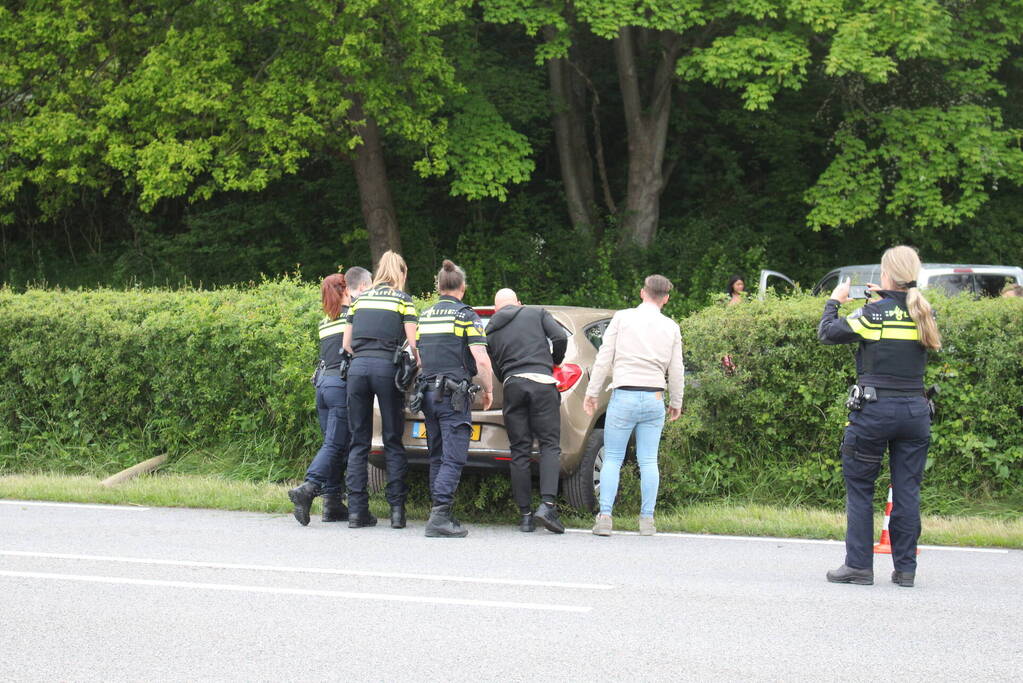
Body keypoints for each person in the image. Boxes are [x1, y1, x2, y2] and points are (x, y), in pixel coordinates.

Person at [819, 245, 941, 588]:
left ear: (886, 275)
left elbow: (828, 333)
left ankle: (858, 567)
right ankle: (905, 570)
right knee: (907, 491)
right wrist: (882, 300)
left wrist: (835, 301)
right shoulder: (925, 313)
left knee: (860, 489)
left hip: (874, 411)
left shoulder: (874, 315)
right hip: (915, 412)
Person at [583, 274, 685, 537]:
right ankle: (647, 520)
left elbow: (604, 357)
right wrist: (676, 401)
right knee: (649, 460)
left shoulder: (623, 318)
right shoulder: (671, 327)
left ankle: (605, 516)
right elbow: (676, 369)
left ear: (642, 292)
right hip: (654, 397)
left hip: (624, 393)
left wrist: (592, 392)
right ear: (666, 299)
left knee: (613, 458)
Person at [415, 260, 494, 537]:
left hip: (427, 394)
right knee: (455, 456)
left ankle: (439, 513)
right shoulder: (465, 316)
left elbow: (420, 356)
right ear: (463, 287)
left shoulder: (425, 316)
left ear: (438, 287)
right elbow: (481, 359)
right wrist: (489, 389)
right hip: (453, 396)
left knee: (436, 454)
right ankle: (439, 518)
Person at [288, 267, 371, 526]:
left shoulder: (325, 321)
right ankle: (308, 488)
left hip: (322, 385)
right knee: (335, 444)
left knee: (333, 444)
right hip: (339, 385)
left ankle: (332, 504)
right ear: (345, 290)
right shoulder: (352, 317)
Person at [343, 251, 419, 529]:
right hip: (387, 369)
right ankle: (397, 512)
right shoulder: (404, 301)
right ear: (401, 273)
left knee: (359, 441)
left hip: (358, 370)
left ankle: (357, 512)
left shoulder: (359, 299)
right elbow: (413, 345)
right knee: (392, 440)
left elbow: (346, 344)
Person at [485, 288, 569, 533]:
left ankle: (525, 517)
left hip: (513, 386)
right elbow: (560, 338)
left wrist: (510, 376)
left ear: (495, 309)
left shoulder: (490, 329)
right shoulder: (536, 313)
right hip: (542, 384)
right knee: (549, 445)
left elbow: (496, 368)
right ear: (519, 303)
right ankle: (548, 505)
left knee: (519, 451)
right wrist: (554, 361)